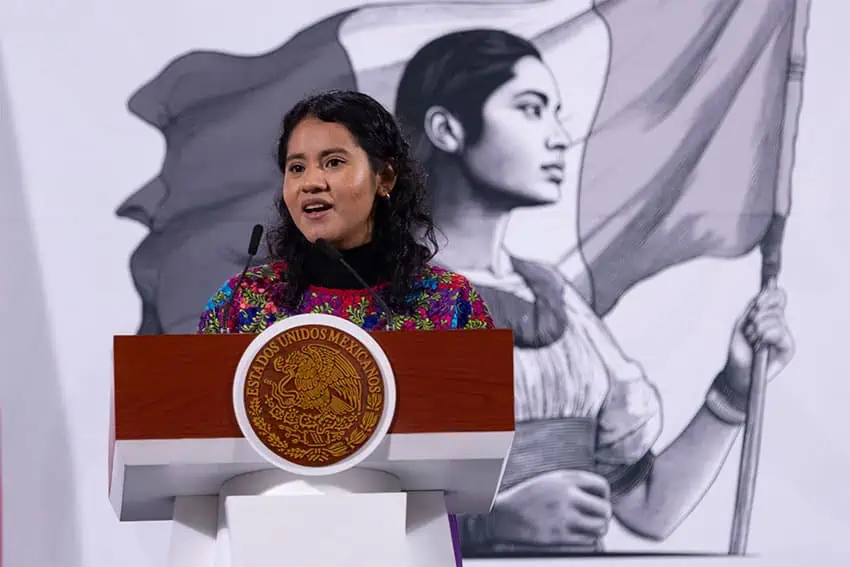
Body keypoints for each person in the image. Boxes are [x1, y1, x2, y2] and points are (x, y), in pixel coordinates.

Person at [394, 29, 795, 556]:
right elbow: (296, 519)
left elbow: (649, 509)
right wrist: (484, 526)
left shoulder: (554, 299)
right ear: (447, 129)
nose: (559, 136)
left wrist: (736, 387)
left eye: (556, 112)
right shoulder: (367, 299)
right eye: (531, 109)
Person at [196, 89, 495, 565]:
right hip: (267, 541)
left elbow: (481, 443)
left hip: (406, 541)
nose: (311, 182)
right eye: (296, 168)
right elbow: (195, 434)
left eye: (333, 162)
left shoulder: (445, 304)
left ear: (385, 177)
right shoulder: (244, 303)